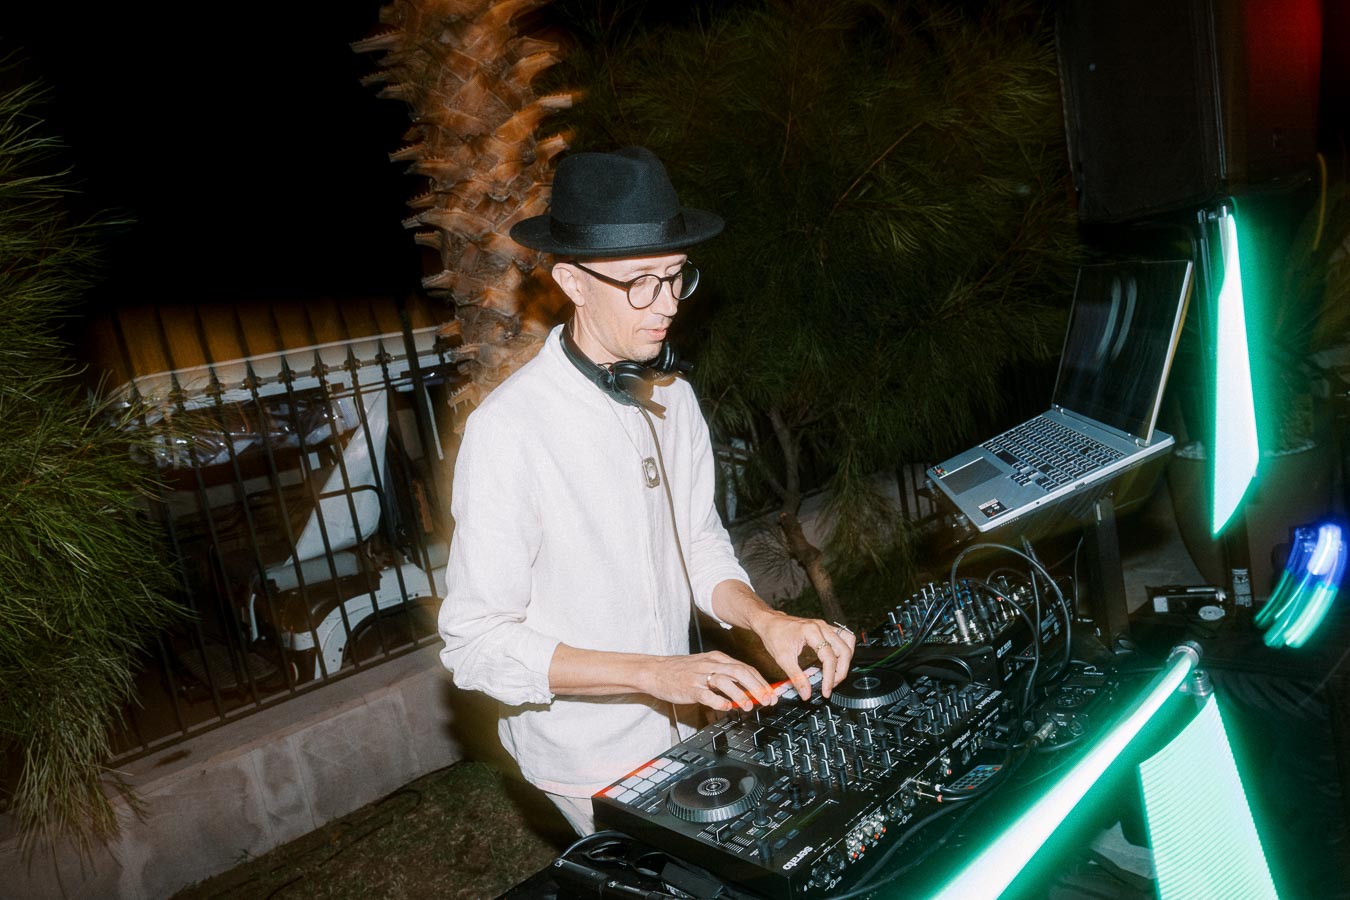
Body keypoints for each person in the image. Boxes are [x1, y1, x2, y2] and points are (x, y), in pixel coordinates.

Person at [437, 146, 856, 836]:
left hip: (686, 731)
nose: (666, 306)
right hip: (587, 758)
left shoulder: (674, 398)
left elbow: (699, 546)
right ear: (572, 280)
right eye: (641, 283)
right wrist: (654, 673)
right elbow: (476, 645)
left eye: (675, 278)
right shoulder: (510, 431)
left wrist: (764, 619)